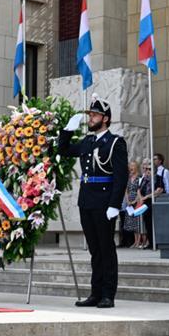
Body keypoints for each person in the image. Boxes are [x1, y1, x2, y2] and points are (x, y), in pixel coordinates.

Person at [59, 94, 129, 309]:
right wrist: (67, 131)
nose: (91, 118)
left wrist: (114, 205)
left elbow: (121, 176)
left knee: (106, 248)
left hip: (104, 201)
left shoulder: (116, 142)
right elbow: (63, 150)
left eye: (95, 115)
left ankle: (108, 294)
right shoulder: (88, 141)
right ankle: (95, 293)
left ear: (105, 119)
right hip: (87, 200)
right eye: (90, 114)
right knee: (95, 250)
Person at [137, 158, 163, 250]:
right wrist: (140, 197)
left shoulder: (157, 177)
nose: (148, 171)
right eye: (146, 169)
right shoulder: (144, 178)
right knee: (147, 223)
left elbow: (159, 190)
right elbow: (139, 189)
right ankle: (150, 242)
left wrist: (147, 196)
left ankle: (156, 242)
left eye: (150, 169)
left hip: (153, 201)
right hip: (145, 203)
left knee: (153, 223)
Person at [122, 161, 143, 248]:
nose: (131, 168)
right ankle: (135, 241)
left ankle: (139, 241)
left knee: (138, 221)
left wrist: (135, 201)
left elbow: (140, 190)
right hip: (129, 201)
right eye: (130, 166)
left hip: (137, 200)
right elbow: (126, 190)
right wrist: (127, 200)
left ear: (136, 167)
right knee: (132, 222)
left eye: (133, 166)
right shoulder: (129, 178)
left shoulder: (140, 178)